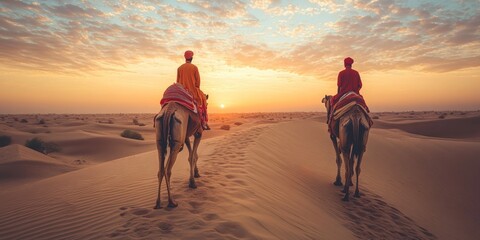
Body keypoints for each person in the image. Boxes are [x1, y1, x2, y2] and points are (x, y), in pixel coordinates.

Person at [176, 50, 209, 130]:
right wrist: (196, 90)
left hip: (182, 91)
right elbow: (198, 82)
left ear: (185, 58)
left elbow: (178, 81)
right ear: (192, 58)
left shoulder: (179, 68)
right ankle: (204, 123)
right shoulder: (194, 67)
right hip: (192, 91)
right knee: (203, 100)